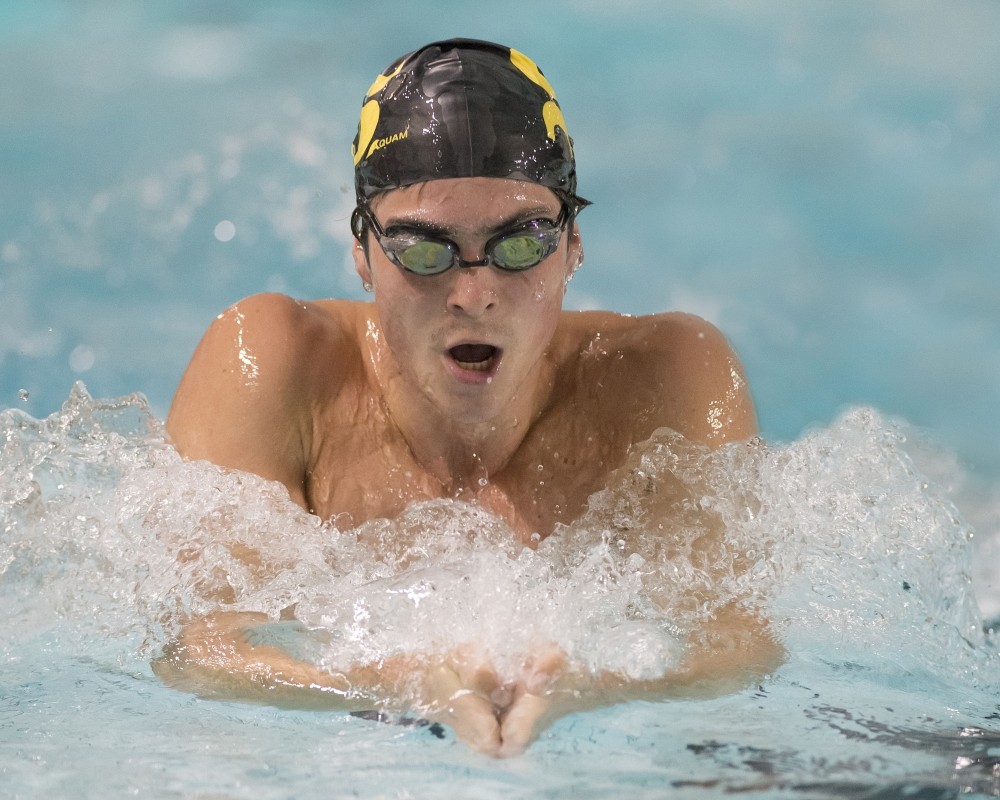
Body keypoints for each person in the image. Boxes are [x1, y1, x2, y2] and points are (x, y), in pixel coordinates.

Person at [157, 38, 781, 757]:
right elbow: (199, 650)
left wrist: (600, 685)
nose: (475, 295)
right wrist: (395, 683)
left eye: (521, 243)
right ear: (361, 251)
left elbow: (738, 646)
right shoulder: (274, 364)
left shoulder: (667, 380)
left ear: (574, 242)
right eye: (425, 249)